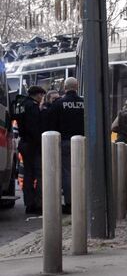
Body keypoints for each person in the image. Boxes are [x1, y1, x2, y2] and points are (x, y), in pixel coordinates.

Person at [48, 77, 83, 213]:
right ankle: (82, 200)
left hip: (64, 142)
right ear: (77, 86)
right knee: (82, 171)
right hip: (82, 142)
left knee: (67, 173)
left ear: (65, 88)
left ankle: (70, 203)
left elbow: (51, 124)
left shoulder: (58, 103)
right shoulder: (84, 103)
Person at [14, 86, 46, 214]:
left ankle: (29, 203)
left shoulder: (21, 104)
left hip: (24, 143)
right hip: (33, 144)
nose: (42, 98)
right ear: (38, 95)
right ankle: (38, 203)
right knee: (39, 173)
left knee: (28, 174)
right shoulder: (33, 106)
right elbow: (35, 127)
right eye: (42, 95)